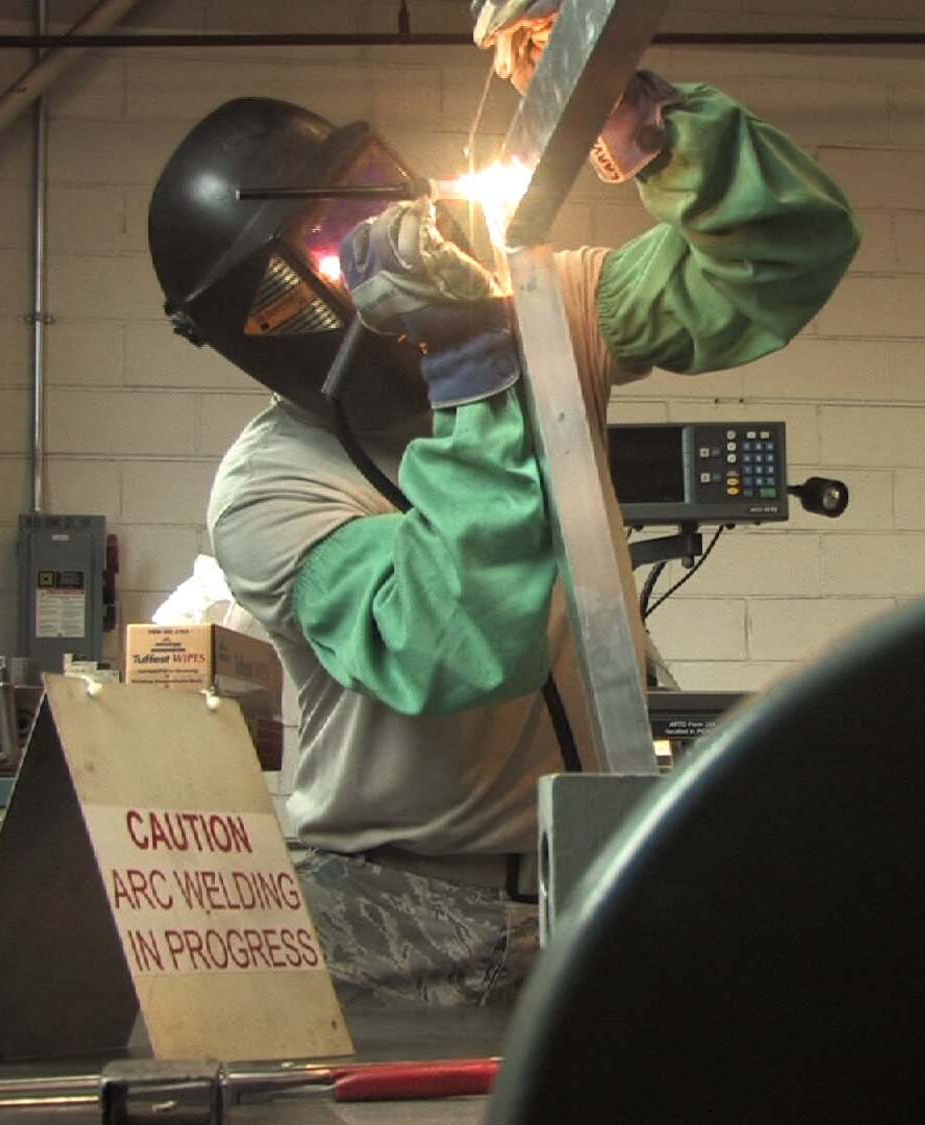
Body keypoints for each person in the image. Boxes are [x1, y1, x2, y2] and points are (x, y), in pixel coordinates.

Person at [145, 0, 859, 1007]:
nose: (375, 237)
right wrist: (473, 362)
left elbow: (783, 252)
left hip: (592, 885)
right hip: (397, 926)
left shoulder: (533, 310)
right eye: (332, 241)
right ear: (272, 312)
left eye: (370, 201)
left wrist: (633, 121)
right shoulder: (270, 491)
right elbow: (462, 641)